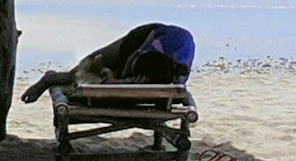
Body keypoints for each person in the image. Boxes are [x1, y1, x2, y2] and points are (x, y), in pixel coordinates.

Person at [19, 20, 195, 103]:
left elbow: (175, 90)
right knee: (89, 66)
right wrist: (126, 73)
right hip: (139, 40)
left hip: (154, 66)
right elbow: (134, 57)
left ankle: (108, 73)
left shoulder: (176, 69)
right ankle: (49, 80)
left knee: (115, 78)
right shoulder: (161, 43)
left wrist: (124, 82)